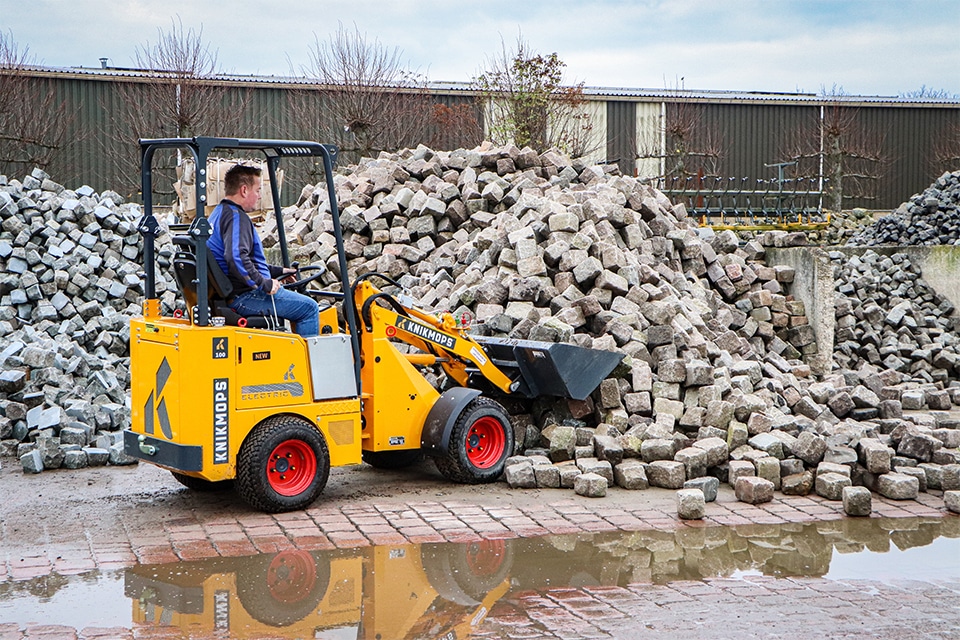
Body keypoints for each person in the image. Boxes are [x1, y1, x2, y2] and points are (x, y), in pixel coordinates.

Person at [207, 164, 320, 337]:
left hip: (230, 294)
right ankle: (311, 355)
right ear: (244, 190)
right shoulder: (237, 218)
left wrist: (278, 271)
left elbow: (237, 260)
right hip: (245, 297)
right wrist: (264, 283)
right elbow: (235, 257)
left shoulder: (219, 213)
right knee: (309, 308)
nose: (260, 196)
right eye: (258, 190)